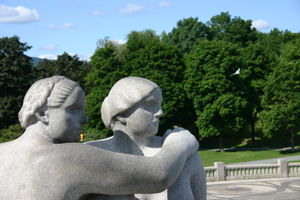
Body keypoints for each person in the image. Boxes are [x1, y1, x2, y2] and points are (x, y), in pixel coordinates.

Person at [0, 76, 199, 200]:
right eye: (74, 109)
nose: (85, 119)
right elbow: (160, 175)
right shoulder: (68, 157)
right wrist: (180, 143)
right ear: (43, 113)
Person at [87, 77, 206, 200]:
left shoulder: (185, 154)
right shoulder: (91, 153)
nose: (160, 112)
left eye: (159, 105)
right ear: (122, 114)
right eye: (151, 105)